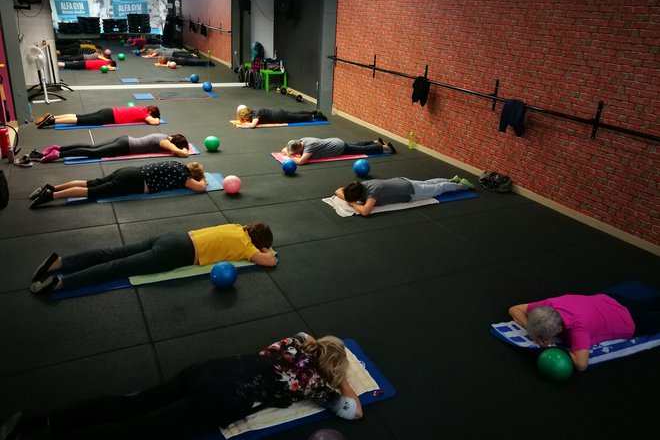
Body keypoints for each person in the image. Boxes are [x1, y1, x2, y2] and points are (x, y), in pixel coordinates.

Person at [2, 333, 362, 439]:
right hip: (221, 398)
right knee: (138, 431)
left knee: (132, 404)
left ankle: (40, 420)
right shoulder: (316, 384)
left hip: (205, 370)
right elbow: (354, 412)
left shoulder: (292, 344)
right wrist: (340, 377)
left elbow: (306, 335)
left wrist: (321, 349)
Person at [29, 223, 278, 294]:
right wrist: (265, 250)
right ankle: (61, 283)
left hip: (170, 236)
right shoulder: (246, 246)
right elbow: (270, 262)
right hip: (175, 253)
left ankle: (59, 262)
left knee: (113, 253)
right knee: (116, 267)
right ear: (259, 242)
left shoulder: (237, 228)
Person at [508, 292, 660, 371]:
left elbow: (581, 364)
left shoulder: (578, 328)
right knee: (646, 304)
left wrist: (550, 347)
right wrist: (531, 330)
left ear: (559, 329)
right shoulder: (549, 305)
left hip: (630, 320)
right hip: (612, 300)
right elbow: (514, 309)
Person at [29, 161, 208, 209]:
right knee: (91, 191)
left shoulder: (176, 164)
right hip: (134, 182)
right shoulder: (184, 176)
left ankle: (52, 187)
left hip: (128, 171)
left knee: (90, 182)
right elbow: (200, 188)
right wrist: (203, 180)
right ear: (193, 174)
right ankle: (50, 196)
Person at [335, 175, 475, 216]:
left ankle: (463, 186)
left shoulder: (372, 192)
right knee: (427, 182)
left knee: (437, 190)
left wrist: (353, 204)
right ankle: (451, 180)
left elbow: (365, 211)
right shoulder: (361, 184)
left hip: (409, 192)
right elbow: (338, 190)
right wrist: (349, 198)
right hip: (402, 181)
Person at [37, 133, 191, 163]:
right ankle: (59, 154)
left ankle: (58, 147)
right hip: (125, 146)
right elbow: (180, 153)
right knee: (93, 153)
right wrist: (183, 151)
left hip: (124, 139)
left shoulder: (163, 134)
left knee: (91, 146)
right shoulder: (165, 141)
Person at [282, 137, 396, 165]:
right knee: (357, 144)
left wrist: (292, 157)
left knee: (360, 150)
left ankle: (385, 148)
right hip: (335, 141)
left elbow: (301, 162)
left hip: (338, 148)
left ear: (299, 148)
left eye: (295, 152)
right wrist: (290, 152)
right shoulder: (301, 140)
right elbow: (284, 149)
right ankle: (375, 142)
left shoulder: (309, 147)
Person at [35, 106, 162, 129]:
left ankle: (53, 116)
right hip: (109, 118)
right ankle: (51, 121)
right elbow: (154, 122)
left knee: (81, 116)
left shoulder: (141, 108)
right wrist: (157, 119)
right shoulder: (146, 114)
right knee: (80, 120)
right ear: (151, 113)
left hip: (108, 110)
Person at [236, 104, 327, 127]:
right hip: (277, 112)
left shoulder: (256, 115)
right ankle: (312, 112)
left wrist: (245, 124)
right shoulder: (253, 111)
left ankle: (315, 117)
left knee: (297, 118)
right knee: (295, 113)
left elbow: (253, 125)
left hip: (279, 117)